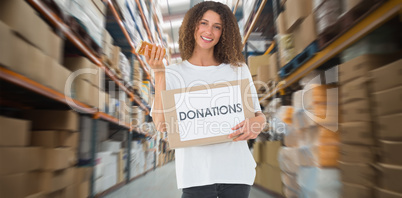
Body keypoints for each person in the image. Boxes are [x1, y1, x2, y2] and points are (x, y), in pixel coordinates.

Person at [144, 2, 266, 198]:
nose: (209, 31)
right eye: (204, 23)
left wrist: (257, 123)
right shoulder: (173, 73)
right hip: (195, 176)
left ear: (223, 33)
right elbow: (161, 124)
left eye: (217, 27)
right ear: (193, 26)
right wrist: (159, 73)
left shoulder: (238, 69)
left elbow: (259, 116)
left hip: (236, 173)